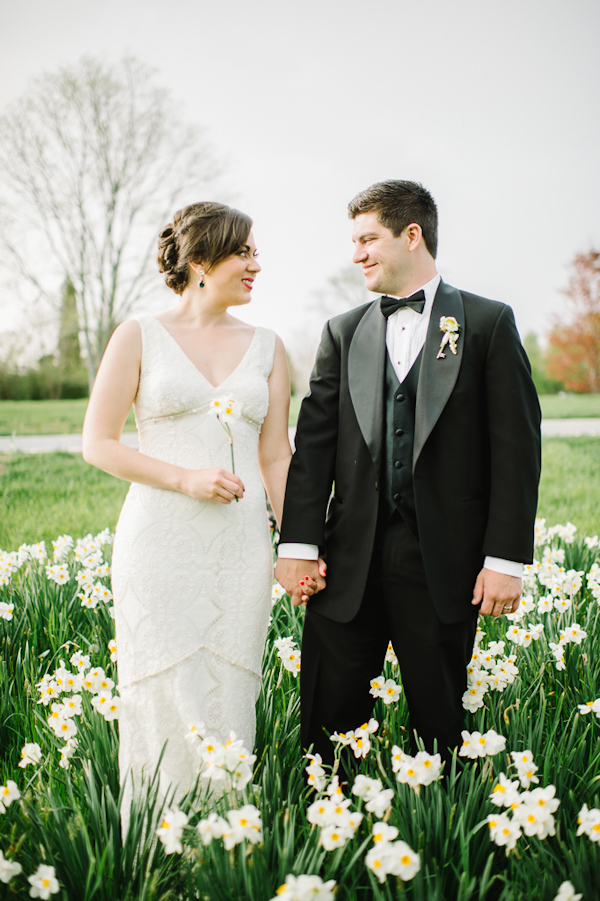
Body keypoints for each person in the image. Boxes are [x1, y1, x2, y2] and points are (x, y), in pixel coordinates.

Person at [275, 180, 541, 765]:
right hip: (346, 564)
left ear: (411, 235)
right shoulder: (342, 332)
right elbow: (314, 447)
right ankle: (330, 837)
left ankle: (440, 838)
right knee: (327, 728)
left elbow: (517, 452)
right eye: (354, 241)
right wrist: (297, 543)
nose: (357, 254)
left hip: (444, 564)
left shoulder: (487, 323)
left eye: (368, 238)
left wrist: (504, 561)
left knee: (443, 726)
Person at [83, 202, 292, 821]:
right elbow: (99, 443)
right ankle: (153, 837)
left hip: (241, 548)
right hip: (158, 545)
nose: (258, 264)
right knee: (160, 687)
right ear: (201, 262)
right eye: (245, 252)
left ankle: (226, 840)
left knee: (231, 685)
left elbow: (277, 455)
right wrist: (185, 478)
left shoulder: (269, 347)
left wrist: (302, 545)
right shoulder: (138, 335)